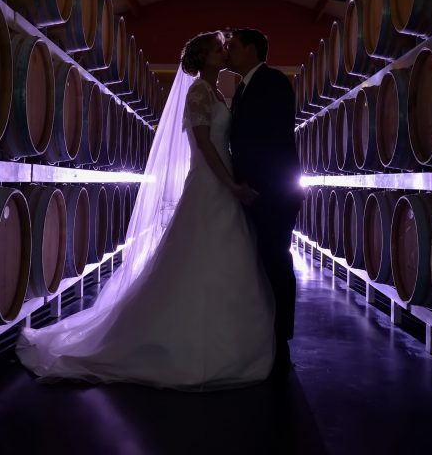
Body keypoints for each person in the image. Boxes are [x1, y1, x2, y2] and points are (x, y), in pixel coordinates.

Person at [16, 31, 275, 389]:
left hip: (223, 181)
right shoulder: (199, 90)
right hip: (210, 182)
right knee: (199, 257)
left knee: (220, 257)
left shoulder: (216, 92)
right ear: (203, 57)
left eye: (225, 47)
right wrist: (230, 185)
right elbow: (201, 144)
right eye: (218, 48)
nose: (224, 51)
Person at [225, 28, 302, 373]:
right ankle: (261, 328)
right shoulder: (242, 88)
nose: (228, 52)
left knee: (275, 259)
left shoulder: (273, 82)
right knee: (257, 261)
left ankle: (281, 333)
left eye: (234, 47)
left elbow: (273, 138)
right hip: (250, 191)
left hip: (271, 191)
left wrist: (255, 183)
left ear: (252, 49)